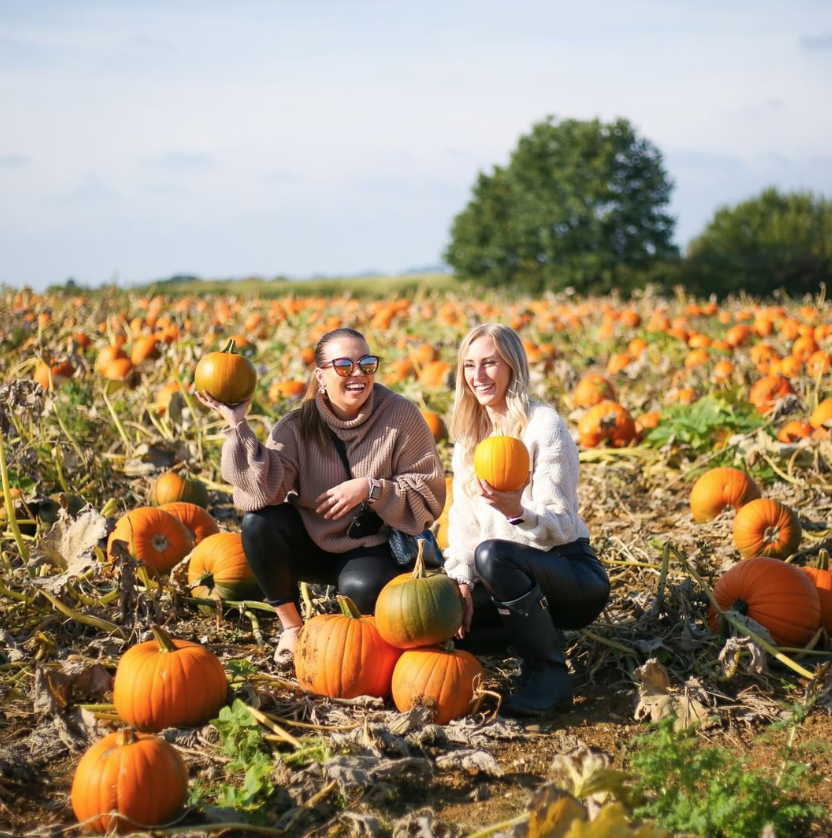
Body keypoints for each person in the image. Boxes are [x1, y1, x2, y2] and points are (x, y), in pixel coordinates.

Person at [196, 327, 446, 658]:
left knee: (362, 589)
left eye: (367, 364)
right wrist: (237, 425)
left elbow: (428, 495)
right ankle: (292, 627)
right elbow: (261, 492)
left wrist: (371, 489)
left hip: (374, 546)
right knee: (259, 523)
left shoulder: (401, 417)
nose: (358, 374)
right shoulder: (297, 426)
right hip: (314, 543)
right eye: (344, 366)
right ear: (321, 375)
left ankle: (352, 638)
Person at [444, 323, 610, 717]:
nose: (478, 376)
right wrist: (461, 582)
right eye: (469, 365)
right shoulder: (469, 438)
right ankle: (533, 641)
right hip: (504, 581)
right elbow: (462, 523)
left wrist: (517, 511)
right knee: (445, 623)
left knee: (493, 555)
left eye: (489, 363)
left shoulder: (543, 426)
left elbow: (563, 525)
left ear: (512, 367)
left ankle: (550, 678)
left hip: (570, 573)